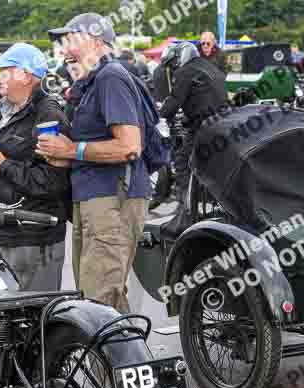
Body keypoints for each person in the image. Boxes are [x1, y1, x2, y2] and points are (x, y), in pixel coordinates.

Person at [37, 13, 151, 313]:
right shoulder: (91, 82)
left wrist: (71, 150)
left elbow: (129, 146)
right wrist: (62, 154)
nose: (64, 50)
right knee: (95, 299)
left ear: (98, 43)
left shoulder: (111, 77)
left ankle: (120, 360)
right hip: (96, 198)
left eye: (72, 40)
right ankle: (117, 359)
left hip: (113, 199)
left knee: (100, 302)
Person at [0, 43, 72, 291]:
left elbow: (52, 181)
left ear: (25, 75)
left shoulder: (47, 115)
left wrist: (2, 164)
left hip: (31, 240)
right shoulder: (6, 108)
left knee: (35, 320)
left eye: (5, 71)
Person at [154, 41, 227, 218]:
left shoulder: (185, 72)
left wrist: (158, 115)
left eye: (173, 63)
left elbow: (175, 100)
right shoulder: (210, 67)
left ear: (181, 58)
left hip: (201, 126)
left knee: (181, 160)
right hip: (222, 122)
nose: (173, 67)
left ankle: (185, 207)